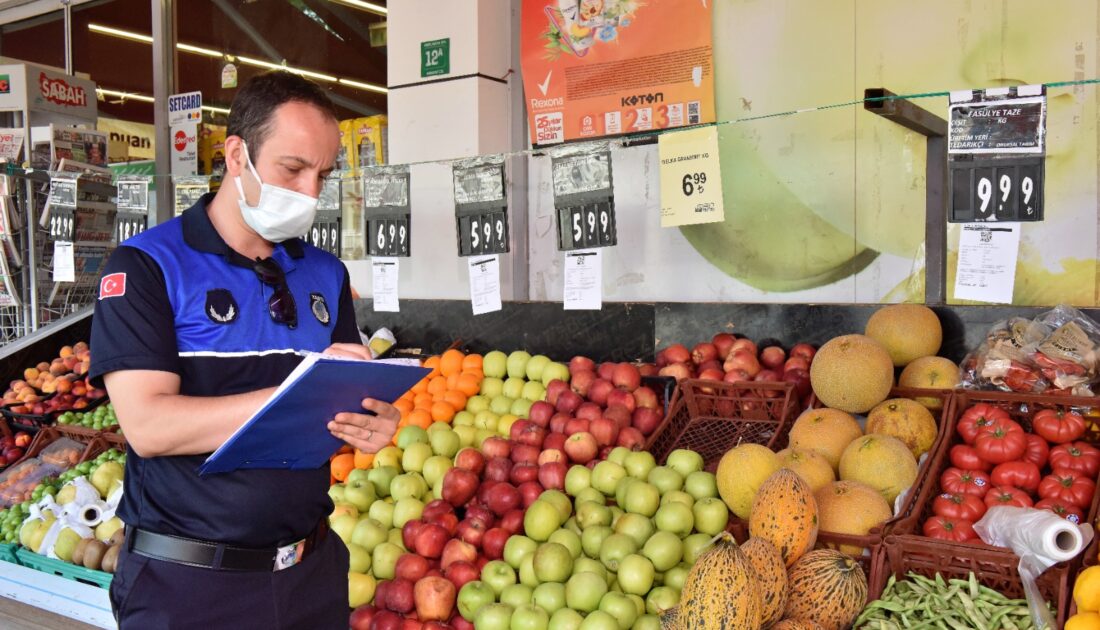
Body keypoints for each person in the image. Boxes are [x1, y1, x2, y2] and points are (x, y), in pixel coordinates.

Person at [89, 71, 399, 629]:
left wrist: (372, 419)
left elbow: (344, 398)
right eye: (293, 168)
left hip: (312, 573)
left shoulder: (326, 274)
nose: (309, 192)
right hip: (188, 588)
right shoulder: (146, 268)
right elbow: (149, 426)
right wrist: (296, 392)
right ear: (237, 155)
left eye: (323, 175)